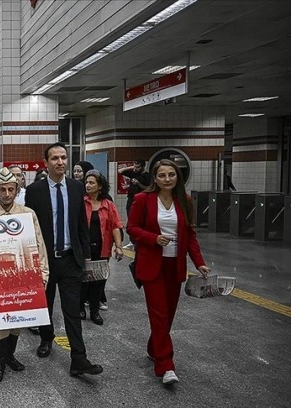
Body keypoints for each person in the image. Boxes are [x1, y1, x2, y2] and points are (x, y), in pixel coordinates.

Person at [126, 159, 210, 386]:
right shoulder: (143, 199)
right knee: (159, 314)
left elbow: (190, 236)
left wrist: (199, 263)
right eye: (162, 175)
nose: (167, 179)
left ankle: (154, 347)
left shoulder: (185, 201)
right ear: (155, 178)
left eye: (171, 175)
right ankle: (166, 365)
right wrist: (154, 239)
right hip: (152, 265)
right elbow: (131, 228)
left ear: (177, 177)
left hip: (175, 265)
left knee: (168, 315)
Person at [24, 142, 103, 376]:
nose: (60, 162)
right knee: (45, 306)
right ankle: (46, 338)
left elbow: (81, 224)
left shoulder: (77, 188)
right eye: (55, 158)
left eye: (63, 157)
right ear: (46, 163)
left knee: (72, 310)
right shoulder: (35, 190)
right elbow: (31, 227)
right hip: (45, 261)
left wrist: (86, 255)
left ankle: (79, 358)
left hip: (71, 259)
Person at [0, 167, 49, 383]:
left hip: (22, 277)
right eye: (2, 190)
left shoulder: (27, 214)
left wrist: (43, 274)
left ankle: (9, 357)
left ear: (17, 189)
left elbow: (39, 246)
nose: (6, 194)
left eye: (10, 189)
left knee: (17, 320)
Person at [80, 170, 123, 325]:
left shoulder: (108, 205)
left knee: (99, 280)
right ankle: (80, 307)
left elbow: (115, 226)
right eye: (87, 182)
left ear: (100, 186)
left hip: (102, 248)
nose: (88, 185)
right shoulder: (81, 202)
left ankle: (95, 311)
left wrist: (118, 246)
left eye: (91, 183)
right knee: (83, 279)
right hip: (84, 248)